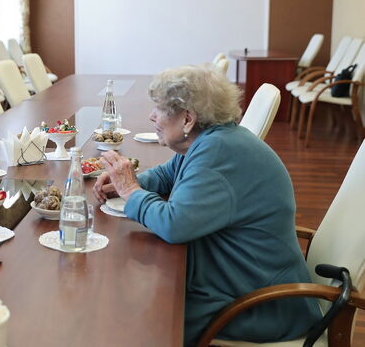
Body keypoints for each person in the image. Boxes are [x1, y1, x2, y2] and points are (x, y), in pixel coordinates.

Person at [93, 66, 321, 345]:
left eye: (160, 109)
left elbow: (174, 225)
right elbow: (168, 175)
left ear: (188, 119)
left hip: (263, 304)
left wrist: (130, 189)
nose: (152, 116)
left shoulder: (218, 152)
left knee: (143, 314)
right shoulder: (211, 140)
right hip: (237, 276)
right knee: (143, 293)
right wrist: (127, 182)